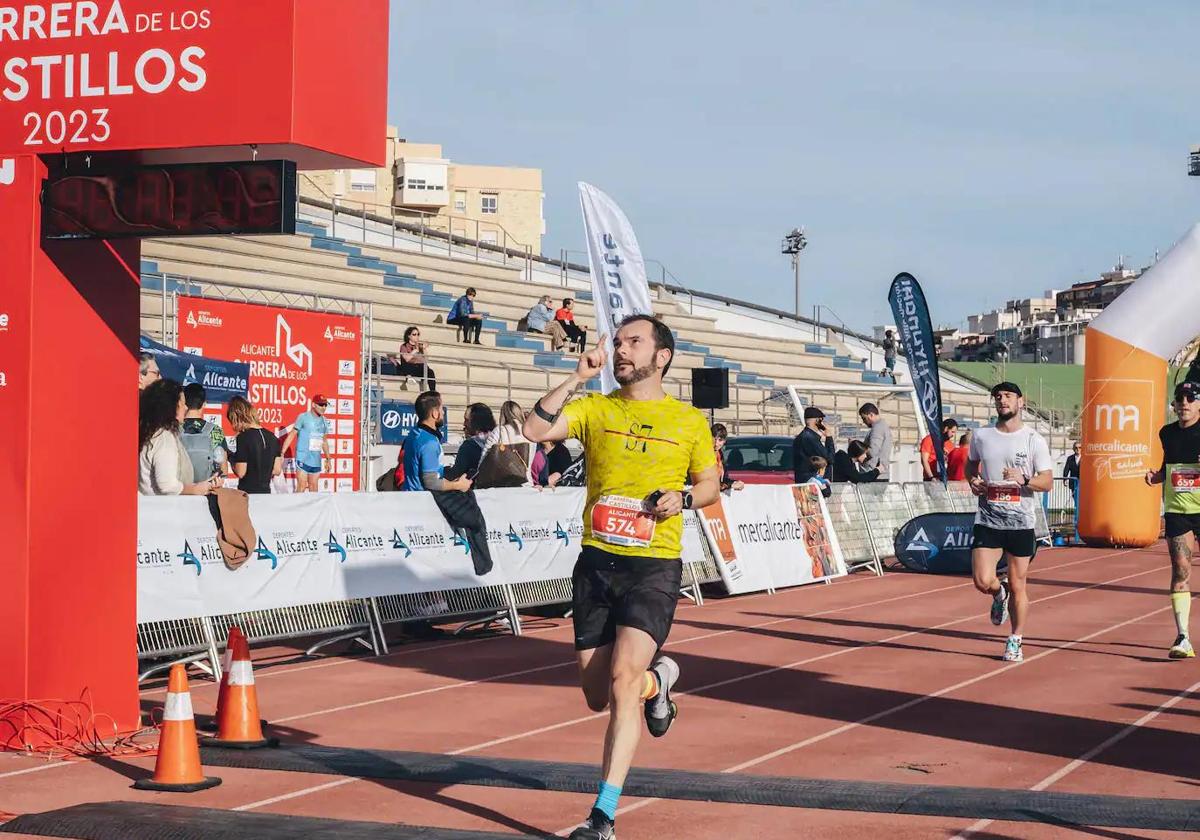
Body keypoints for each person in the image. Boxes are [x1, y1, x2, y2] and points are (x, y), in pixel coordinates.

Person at [522, 314, 719, 840]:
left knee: (621, 680)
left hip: (653, 564)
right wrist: (576, 378)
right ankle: (661, 683)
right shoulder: (595, 407)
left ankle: (602, 817)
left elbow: (710, 485)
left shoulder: (688, 421)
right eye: (619, 343)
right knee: (598, 695)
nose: (622, 351)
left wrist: (682, 498)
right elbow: (533, 430)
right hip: (596, 563)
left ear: (663, 356)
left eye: (635, 342)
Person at [966, 382, 1053, 663]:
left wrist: (1024, 479)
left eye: (1008, 396)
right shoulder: (981, 436)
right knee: (982, 580)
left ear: (1020, 401)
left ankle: (1015, 639)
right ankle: (997, 592)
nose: (1002, 400)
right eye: (998, 397)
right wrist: (974, 481)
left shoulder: (1033, 440)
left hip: (1020, 522)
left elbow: (1048, 481)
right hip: (989, 519)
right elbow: (971, 465)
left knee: (1018, 584)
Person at [1145, 380, 1200, 659]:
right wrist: (1157, 476)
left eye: (1190, 398)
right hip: (1178, 511)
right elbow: (1170, 463)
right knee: (1180, 570)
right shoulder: (1166, 433)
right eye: (1179, 399)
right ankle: (1183, 638)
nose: (1184, 404)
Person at [138, 379, 223, 496]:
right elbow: (166, 485)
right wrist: (195, 490)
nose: (186, 408)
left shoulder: (151, 431)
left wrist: (202, 485)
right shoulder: (163, 437)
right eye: (183, 403)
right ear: (174, 406)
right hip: (162, 509)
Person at [401, 390, 472, 492]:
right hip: (422, 501)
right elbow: (431, 482)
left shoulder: (414, 434)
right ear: (435, 414)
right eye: (441, 409)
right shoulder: (430, 443)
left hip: (411, 497)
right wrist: (458, 486)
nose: (443, 412)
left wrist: (452, 483)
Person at [227, 396, 282, 494]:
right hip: (265, 493)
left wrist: (230, 457)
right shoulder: (273, 437)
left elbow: (241, 472)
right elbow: (277, 470)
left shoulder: (243, 437)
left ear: (236, 417)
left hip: (247, 494)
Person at [477, 401, 533, 488]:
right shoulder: (529, 432)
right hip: (525, 482)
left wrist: (479, 475)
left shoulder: (498, 431)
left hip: (501, 483)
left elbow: (484, 456)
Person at [180, 383, 228, 481]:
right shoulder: (215, 431)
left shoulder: (174, 428)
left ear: (183, 403)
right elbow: (223, 470)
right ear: (204, 404)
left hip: (180, 490)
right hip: (206, 490)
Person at [282, 395, 331, 493]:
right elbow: (292, 434)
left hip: (315, 459)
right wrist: (282, 452)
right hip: (302, 457)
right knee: (302, 485)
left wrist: (328, 458)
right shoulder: (303, 417)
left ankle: (313, 509)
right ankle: (298, 508)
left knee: (314, 488)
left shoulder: (325, 421)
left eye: (325, 405)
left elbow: (324, 441)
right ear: (313, 405)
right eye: (321, 405)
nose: (324, 407)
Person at [445, 403, 496, 482]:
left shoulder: (469, 446)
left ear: (476, 422)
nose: (464, 424)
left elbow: (456, 474)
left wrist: (443, 471)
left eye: (467, 420)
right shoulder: (496, 439)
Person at [793, 406, 835, 484]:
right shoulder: (810, 439)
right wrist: (829, 438)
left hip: (804, 481)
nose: (823, 424)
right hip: (813, 483)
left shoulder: (801, 437)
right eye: (822, 420)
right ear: (817, 421)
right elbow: (830, 458)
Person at [391, 326, 436, 390]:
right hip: (409, 366)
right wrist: (415, 350)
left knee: (430, 372)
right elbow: (406, 358)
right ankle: (408, 376)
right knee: (408, 366)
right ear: (409, 336)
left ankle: (433, 391)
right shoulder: (404, 346)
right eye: (414, 334)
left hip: (419, 367)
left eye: (418, 334)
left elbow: (426, 360)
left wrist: (424, 349)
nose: (416, 336)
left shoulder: (419, 346)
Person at [858, 403, 893, 481]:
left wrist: (860, 455)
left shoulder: (877, 428)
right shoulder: (883, 425)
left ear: (871, 415)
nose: (864, 422)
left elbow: (873, 450)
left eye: (864, 418)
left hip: (874, 473)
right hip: (880, 473)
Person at [920, 418, 959, 482]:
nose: (953, 435)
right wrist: (931, 477)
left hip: (945, 479)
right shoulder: (929, 440)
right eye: (952, 432)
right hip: (931, 478)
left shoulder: (950, 445)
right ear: (946, 429)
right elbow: (924, 460)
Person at [711, 423, 744, 492]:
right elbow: (708, 483)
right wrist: (729, 485)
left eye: (720, 440)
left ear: (724, 441)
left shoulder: (719, 455)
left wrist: (733, 482)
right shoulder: (705, 455)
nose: (716, 443)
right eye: (714, 439)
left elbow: (722, 480)